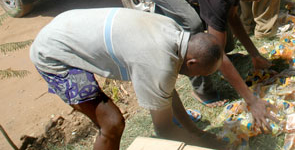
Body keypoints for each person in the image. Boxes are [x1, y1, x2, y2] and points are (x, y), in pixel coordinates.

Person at [125, 0, 279, 130]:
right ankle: (201, 90)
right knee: (195, 26)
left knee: (216, 27)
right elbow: (215, 48)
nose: (256, 0)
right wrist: (252, 100)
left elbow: (232, 16)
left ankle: (219, 68)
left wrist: (255, 55)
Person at [30, 8, 226, 150]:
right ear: (191, 63)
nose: (198, 78)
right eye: (201, 73)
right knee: (112, 123)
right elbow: (164, 130)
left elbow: (165, 90)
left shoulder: (174, 32)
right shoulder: (158, 62)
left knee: (113, 121)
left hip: (68, 24)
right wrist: (205, 144)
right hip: (53, 55)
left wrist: (196, 133)